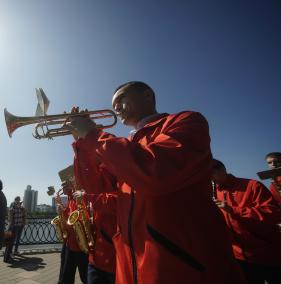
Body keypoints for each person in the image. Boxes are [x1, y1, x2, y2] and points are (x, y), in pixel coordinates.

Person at [65, 81, 245, 283]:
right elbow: (94, 186)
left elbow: (154, 171)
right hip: (132, 267)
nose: (115, 107)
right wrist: (82, 143)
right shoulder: (126, 145)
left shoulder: (187, 121)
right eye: (113, 103)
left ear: (147, 95)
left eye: (121, 98)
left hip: (182, 267)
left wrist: (92, 135)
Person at [212, 159, 281, 284]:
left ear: (223, 170)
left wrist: (234, 210)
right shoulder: (213, 192)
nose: (210, 179)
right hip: (239, 259)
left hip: (268, 256)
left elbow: (274, 214)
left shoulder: (253, 185)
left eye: (211, 173)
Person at [72, 190, 117, 284]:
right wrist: (88, 223)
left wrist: (88, 196)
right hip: (95, 258)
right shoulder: (96, 189)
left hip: (112, 260)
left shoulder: (114, 181)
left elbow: (116, 203)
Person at [59, 180, 89, 284]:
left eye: (65, 185)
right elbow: (69, 219)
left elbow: (84, 219)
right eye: (62, 186)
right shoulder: (70, 199)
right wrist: (62, 213)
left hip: (82, 246)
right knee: (66, 277)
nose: (63, 188)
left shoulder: (79, 196)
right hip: (70, 244)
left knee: (85, 277)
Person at [4, 196, 26, 262]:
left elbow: (22, 212)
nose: (19, 201)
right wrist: (17, 206)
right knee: (11, 241)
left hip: (20, 224)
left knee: (16, 239)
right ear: (16, 199)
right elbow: (10, 211)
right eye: (18, 199)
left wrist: (20, 207)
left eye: (19, 200)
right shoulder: (13, 204)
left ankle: (13, 252)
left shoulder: (20, 206)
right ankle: (8, 255)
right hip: (14, 225)